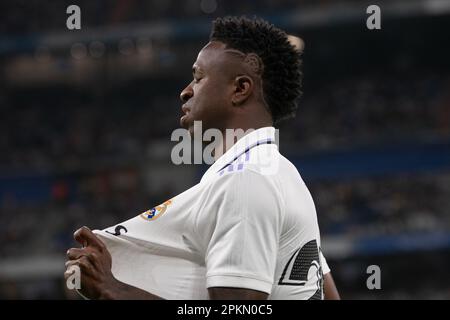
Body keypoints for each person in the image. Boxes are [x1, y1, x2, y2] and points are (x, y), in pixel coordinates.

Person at [65, 16, 340, 300]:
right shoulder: (284, 174)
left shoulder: (244, 180)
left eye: (198, 77)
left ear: (240, 89)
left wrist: (115, 291)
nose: (185, 90)